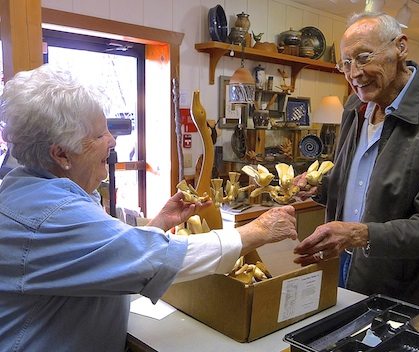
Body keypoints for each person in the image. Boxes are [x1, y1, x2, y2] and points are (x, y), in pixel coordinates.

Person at [0, 64, 298, 352]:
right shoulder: (50, 214)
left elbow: (105, 258)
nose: (112, 140)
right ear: (61, 154)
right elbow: (155, 259)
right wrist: (255, 232)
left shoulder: (35, 189)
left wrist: (159, 223)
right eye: (99, 135)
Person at [293, 12, 419, 311]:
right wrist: (321, 188)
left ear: (400, 47)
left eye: (364, 57)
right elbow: (361, 180)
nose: (354, 73)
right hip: (344, 266)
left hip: (402, 289)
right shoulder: (356, 105)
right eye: (346, 63)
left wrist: (357, 234)